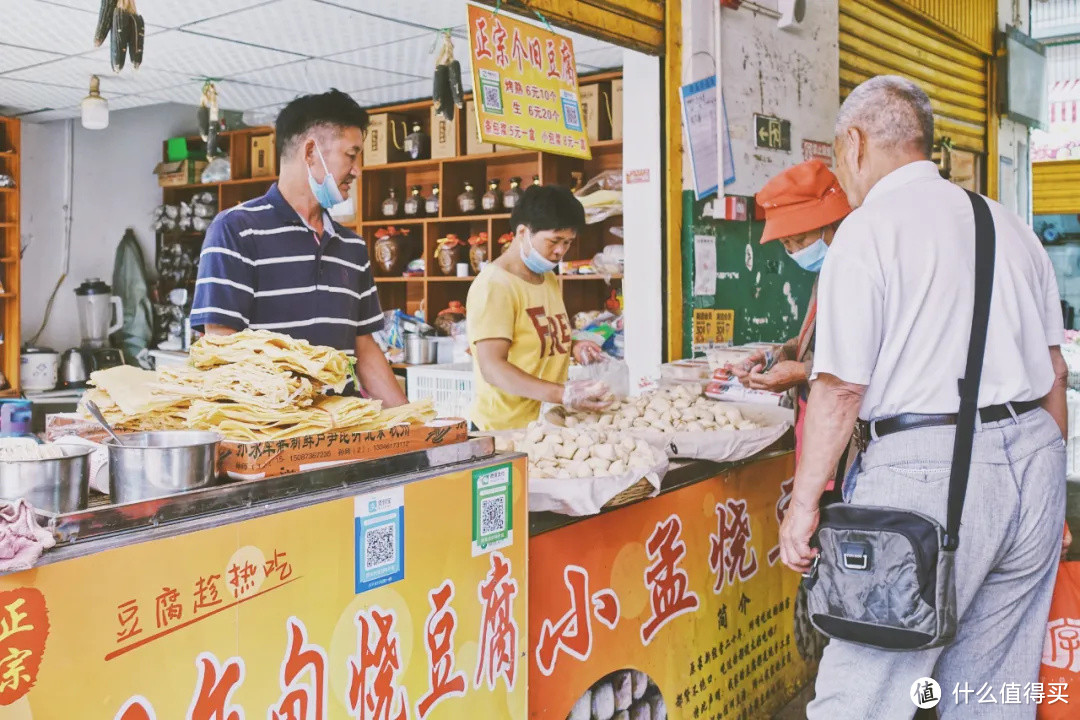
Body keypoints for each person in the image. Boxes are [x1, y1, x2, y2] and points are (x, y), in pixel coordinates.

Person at [777, 74, 1071, 719]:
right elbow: (1055, 371)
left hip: (926, 474)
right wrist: (1044, 494)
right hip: (1036, 460)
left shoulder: (868, 230)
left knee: (865, 691)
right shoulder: (1006, 223)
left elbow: (840, 387)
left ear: (854, 143)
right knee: (988, 690)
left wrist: (803, 506)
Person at [190, 89, 406, 406]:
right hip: (269, 430)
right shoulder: (236, 230)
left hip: (340, 428)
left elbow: (364, 347)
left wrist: (412, 423)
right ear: (309, 152)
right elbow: (222, 341)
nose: (358, 169)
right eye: (351, 154)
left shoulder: (352, 247)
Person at [729, 160, 852, 463]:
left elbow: (866, 364)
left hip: (845, 430)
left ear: (832, 225)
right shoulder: (828, 272)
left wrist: (799, 372)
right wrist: (775, 356)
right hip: (816, 420)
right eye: (787, 243)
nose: (796, 251)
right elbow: (817, 341)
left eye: (801, 240)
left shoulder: (861, 273)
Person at [467, 185, 611, 431]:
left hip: (544, 422)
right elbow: (492, 367)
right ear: (522, 232)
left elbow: (537, 335)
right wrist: (562, 394)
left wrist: (574, 346)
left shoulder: (547, 277)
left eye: (567, 243)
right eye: (554, 241)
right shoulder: (495, 286)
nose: (560, 252)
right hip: (503, 430)